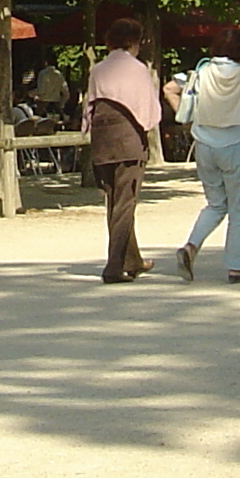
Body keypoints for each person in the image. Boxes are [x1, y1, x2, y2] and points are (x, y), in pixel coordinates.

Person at [176, 26, 240, 284]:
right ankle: (236, 266)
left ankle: (192, 245)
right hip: (234, 143)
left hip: (204, 143)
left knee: (215, 203)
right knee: (237, 209)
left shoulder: (202, 71)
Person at [88, 18, 161, 282]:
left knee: (114, 201)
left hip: (102, 139)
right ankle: (114, 265)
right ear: (133, 42)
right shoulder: (137, 68)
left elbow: (89, 106)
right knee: (126, 202)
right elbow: (147, 107)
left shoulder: (98, 70)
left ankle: (133, 259)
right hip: (128, 138)